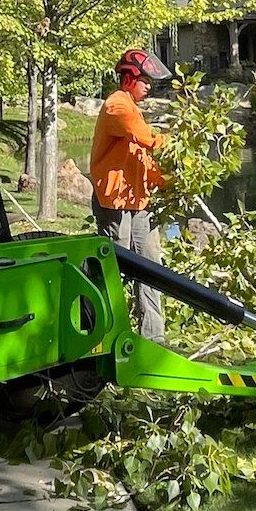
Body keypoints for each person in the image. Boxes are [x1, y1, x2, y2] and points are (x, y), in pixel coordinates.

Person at [90, 49, 171, 337]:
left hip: (139, 202)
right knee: (116, 268)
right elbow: (145, 138)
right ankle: (106, 333)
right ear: (128, 78)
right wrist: (174, 144)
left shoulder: (134, 110)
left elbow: (141, 159)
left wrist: (167, 183)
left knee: (151, 267)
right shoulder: (117, 107)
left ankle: (154, 340)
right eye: (145, 81)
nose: (149, 86)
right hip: (115, 203)